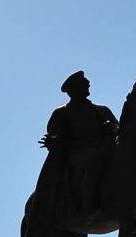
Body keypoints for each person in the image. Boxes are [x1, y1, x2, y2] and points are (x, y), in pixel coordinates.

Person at [39, 70, 119, 217]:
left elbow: (119, 129)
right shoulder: (62, 111)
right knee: (93, 158)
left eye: (87, 83)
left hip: (104, 149)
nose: (88, 84)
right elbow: (53, 132)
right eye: (84, 83)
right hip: (78, 153)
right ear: (73, 89)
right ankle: (88, 205)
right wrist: (55, 139)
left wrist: (111, 129)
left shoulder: (101, 109)